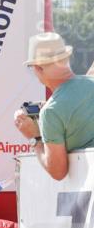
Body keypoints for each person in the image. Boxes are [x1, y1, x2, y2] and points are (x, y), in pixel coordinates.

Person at [13, 32, 94, 180]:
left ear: (38, 68)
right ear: (66, 59)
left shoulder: (51, 112)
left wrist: (35, 137)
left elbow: (58, 172)